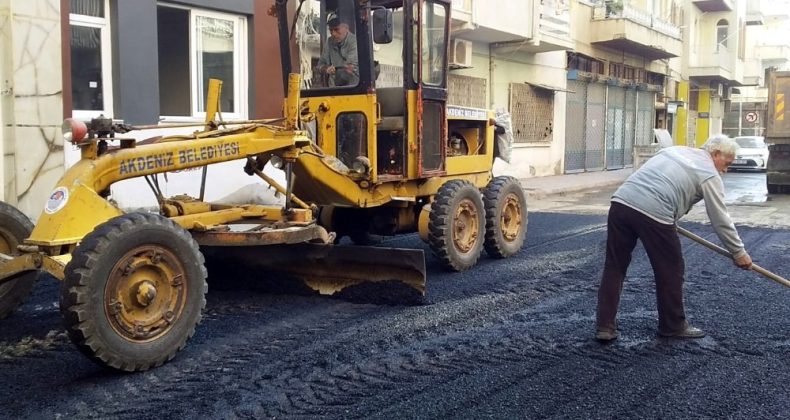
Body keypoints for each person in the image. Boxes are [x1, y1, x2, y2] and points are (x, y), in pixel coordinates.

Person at [595, 134, 753, 342]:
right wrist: (738, 252)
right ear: (716, 154)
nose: (725, 170)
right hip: (654, 214)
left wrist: (671, 215)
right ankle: (672, 325)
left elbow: (658, 181)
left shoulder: (674, 150)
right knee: (671, 269)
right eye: (727, 163)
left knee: (615, 266)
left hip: (621, 203)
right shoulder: (708, 173)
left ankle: (605, 327)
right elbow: (720, 218)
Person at [317, 17, 359, 87]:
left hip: (353, 88)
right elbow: (320, 65)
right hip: (334, 89)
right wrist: (327, 69)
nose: (333, 33)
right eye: (331, 30)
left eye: (336, 29)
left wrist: (338, 69)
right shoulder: (329, 42)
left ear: (346, 28)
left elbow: (350, 67)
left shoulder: (355, 42)